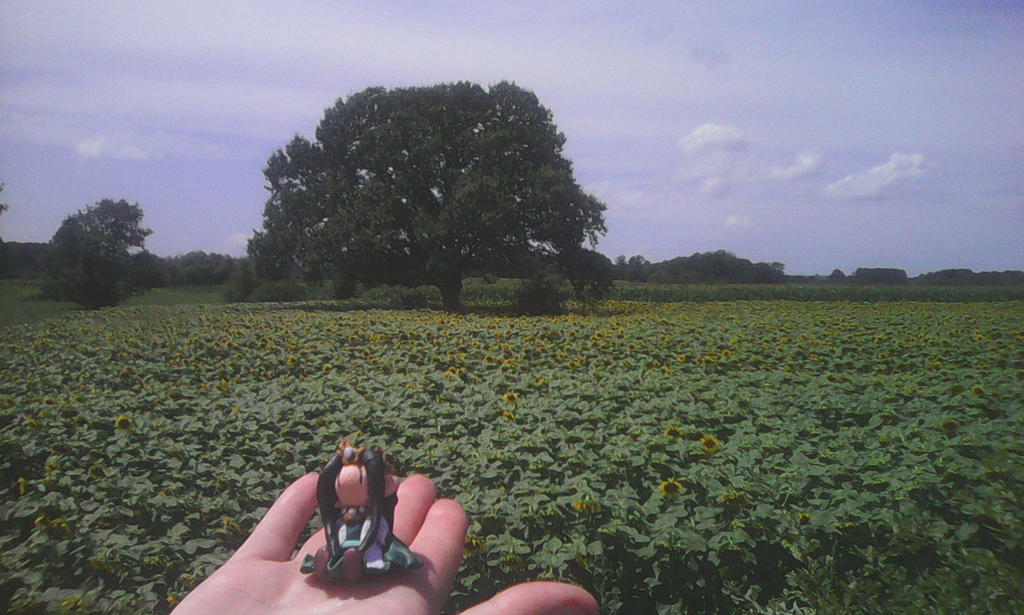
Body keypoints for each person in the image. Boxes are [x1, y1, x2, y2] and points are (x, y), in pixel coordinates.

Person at [171, 472, 599, 615]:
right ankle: (345, 558)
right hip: (347, 548)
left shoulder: (374, 522)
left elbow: (376, 526)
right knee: (342, 552)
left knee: (379, 550)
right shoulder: (342, 520)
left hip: (370, 548)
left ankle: (361, 558)